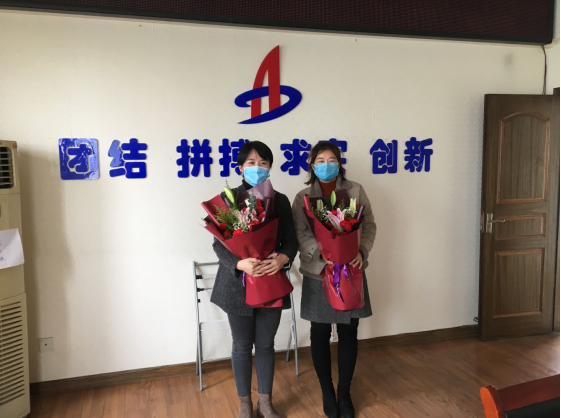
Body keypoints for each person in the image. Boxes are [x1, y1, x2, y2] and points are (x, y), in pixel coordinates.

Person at [211, 141, 298, 418]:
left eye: (263, 163)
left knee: (265, 345)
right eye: (251, 163)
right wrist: (240, 263)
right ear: (240, 167)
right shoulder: (228, 200)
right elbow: (218, 245)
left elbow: (291, 240)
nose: (257, 168)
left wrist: (282, 259)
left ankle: (265, 403)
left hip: (271, 280)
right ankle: (245, 404)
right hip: (237, 285)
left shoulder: (280, 200)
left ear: (270, 167)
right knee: (240, 346)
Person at [292, 142, 376, 418]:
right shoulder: (303, 197)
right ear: (312, 165)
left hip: (350, 269)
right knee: (319, 332)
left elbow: (369, 225)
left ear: (339, 163)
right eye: (320, 160)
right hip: (319, 272)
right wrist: (322, 254)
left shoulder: (356, 190)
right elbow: (300, 233)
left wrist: (361, 252)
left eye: (331, 159)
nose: (326, 164)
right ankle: (327, 391)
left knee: (349, 331)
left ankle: (344, 392)